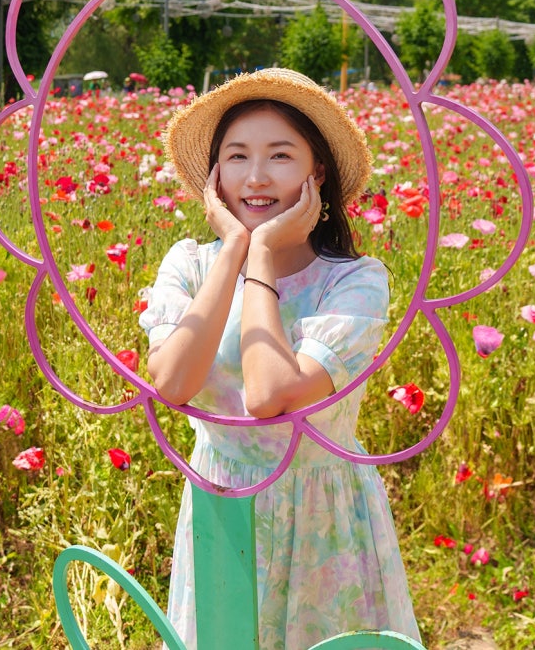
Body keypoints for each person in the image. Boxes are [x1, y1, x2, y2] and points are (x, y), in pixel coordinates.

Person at [141, 68, 421, 650]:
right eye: (237, 157)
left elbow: (270, 396)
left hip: (323, 515)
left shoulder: (354, 282)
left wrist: (262, 254)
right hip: (222, 506)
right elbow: (171, 382)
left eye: (281, 156)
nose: (257, 176)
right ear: (215, 175)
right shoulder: (191, 264)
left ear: (317, 173)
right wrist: (233, 254)